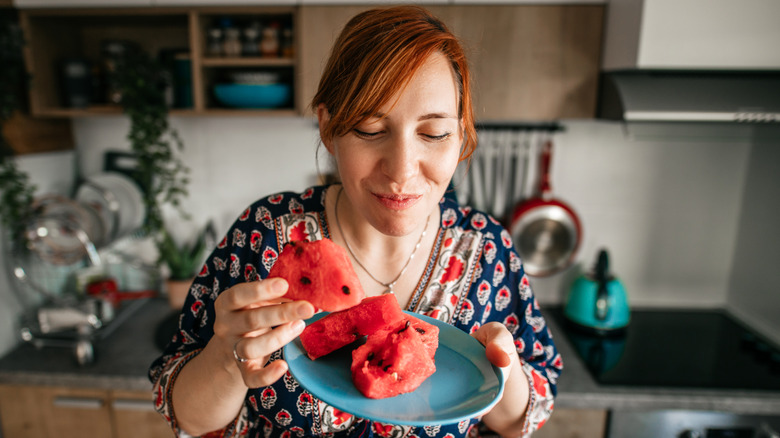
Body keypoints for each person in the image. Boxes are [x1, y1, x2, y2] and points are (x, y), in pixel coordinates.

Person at [150, 5, 562, 438]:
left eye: (434, 133)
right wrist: (225, 356)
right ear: (329, 128)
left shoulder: (487, 247)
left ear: (461, 135)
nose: (402, 171)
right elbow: (188, 418)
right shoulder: (266, 234)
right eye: (369, 128)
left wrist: (503, 370)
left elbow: (520, 419)